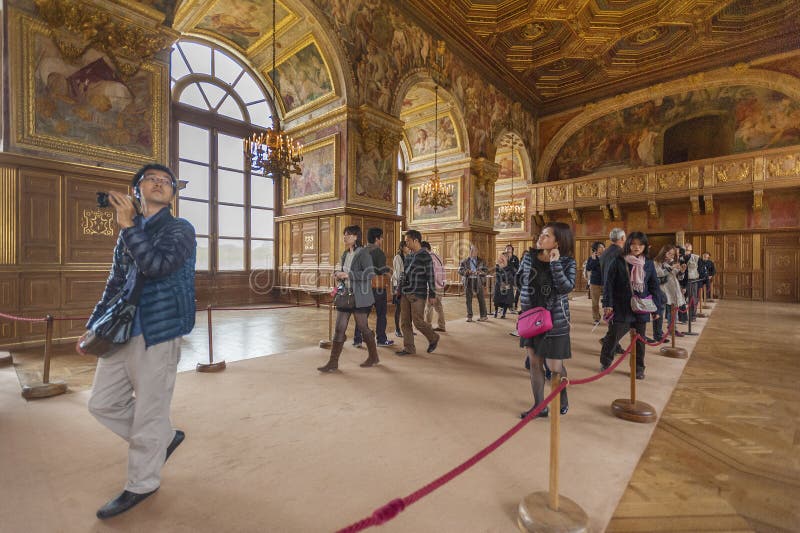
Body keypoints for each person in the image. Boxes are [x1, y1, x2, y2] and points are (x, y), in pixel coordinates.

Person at [82, 163, 196, 519]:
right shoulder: (128, 232)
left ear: (173, 195)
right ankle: (162, 436)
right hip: (121, 328)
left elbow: (157, 266)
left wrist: (130, 227)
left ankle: (142, 483)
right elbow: (115, 283)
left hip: (159, 329)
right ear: (136, 190)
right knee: (101, 402)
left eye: (167, 182)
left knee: (149, 409)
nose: (161, 183)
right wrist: (93, 325)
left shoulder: (181, 229)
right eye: (152, 179)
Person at [516, 222, 576, 419]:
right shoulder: (529, 257)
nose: (540, 238)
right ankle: (539, 406)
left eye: (546, 235)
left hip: (555, 320)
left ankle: (563, 396)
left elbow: (565, 288)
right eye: (540, 234)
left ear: (557, 241)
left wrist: (555, 263)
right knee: (534, 362)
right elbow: (519, 281)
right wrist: (503, 269)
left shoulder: (567, 262)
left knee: (554, 366)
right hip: (532, 318)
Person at [600, 231, 662, 379]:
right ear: (628, 244)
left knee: (640, 340)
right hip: (621, 305)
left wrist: (656, 308)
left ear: (645, 246)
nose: (637, 247)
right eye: (633, 244)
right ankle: (605, 361)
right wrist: (607, 304)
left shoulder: (648, 263)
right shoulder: (619, 260)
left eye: (640, 244)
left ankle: (638, 368)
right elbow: (608, 284)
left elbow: (654, 286)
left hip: (641, 306)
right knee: (613, 335)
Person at [317, 225, 379, 372]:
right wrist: (338, 275)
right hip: (345, 296)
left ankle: (373, 356)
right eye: (344, 234)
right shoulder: (345, 254)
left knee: (363, 328)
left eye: (348, 235)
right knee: (339, 329)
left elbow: (370, 274)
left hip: (360, 298)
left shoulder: (363, 253)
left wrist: (348, 275)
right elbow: (344, 273)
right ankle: (333, 362)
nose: (345, 237)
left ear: (356, 237)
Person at [395, 230, 440, 356]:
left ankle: (433, 337)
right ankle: (409, 348)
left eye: (408, 240)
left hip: (418, 293)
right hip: (405, 292)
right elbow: (404, 274)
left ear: (416, 241)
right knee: (404, 322)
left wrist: (432, 294)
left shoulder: (425, 256)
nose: (406, 242)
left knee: (418, 321)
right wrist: (399, 289)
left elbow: (430, 275)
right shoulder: (408, 256)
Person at [353, 227, 394, 347]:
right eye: (381, 237)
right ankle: (381, 339)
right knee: (381, 314)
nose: (382, 240)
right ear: (377, 238)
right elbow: (380, 270)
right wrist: (388, 269)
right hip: (377, 288)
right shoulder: (379, 252)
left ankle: (357, 340)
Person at [599, 228, 626, 354]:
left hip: (607, 289)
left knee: (614, 321)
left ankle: (614, 344)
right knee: (623, 322)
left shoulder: (605, 252)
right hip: (619, 291)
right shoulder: (621, 253)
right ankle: (608, 342)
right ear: (622, 239)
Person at [653, 244, 685, 341]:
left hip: (673, 289)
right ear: (664, 252)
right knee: (660, 312)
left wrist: (682, 271)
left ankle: (672, 329)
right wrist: (671, 268)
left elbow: (678, 277)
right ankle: (658, 334)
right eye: (669, 253)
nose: (671, 256)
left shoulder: (672, 262)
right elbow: (659, 274)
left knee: (673, 310)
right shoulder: (656, 262)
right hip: (662, 290)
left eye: (673, 254)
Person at [458, 244, 489, 322]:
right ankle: (469, 316)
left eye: (474, 250)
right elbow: (460, 271)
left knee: (481, 299)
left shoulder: (481, 261)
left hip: (478, 280)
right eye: (471, 250)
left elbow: (486, 271)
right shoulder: (464, 261)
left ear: (477, 251)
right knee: (468, 299)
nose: (472, 252)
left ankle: (483, 316)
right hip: (468, 281)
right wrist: (467, 272)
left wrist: (480, 272)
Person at [422, 241, 447, 332]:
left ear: (425, 249)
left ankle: (427, 326)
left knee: (429, 307)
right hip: (440, 285)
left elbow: (431, 274)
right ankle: (442, 325)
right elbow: (443, 271)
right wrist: (443, 283)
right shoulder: (438, 257)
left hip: (433, 286)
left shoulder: (429, 258)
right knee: (438, 307)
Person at [391, 241, 408, 337]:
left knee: (406, 308)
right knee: (399, 308)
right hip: (398, 285)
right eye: (406, 246)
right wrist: (398, 288)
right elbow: (397, 273)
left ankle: (407, 329)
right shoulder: (398, 257)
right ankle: (397, 329)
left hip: (406, 284)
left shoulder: (408, 256)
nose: (408, 248)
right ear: (402, 247)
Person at [586, 241, 605, 324]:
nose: (603, 248)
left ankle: (610, 317)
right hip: (595, 282)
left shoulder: (607, 257)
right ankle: (596, 318)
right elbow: (589, 268)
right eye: (601, 247)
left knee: (608, 301)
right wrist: (594, 260)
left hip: (606, 282)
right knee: (595, 302)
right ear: (596, 249)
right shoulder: (591, 258)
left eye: (603, 247)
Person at [493, 251, 516, 318]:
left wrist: (506, 283)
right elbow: (497, 275)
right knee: (497, 299)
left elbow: (512, 276)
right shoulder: (497, 265)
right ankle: (496, 312)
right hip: (499, 284)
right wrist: (501, 283)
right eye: (503, 256)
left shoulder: (510, 266)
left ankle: (503, 313)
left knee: (506, 300)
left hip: (507, 284)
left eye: (506, 257)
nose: (504, 258)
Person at [504, 244, 520, 312]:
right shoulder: (503, 257)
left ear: (512, 250)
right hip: (504, 278)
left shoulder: (515, 258)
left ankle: (511, 307)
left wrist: (512, 269)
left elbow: (517, 268)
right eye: (507, 248)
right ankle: (503, 307)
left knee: (512, 293)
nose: (508, 250)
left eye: (509, 248)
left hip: (513, 279)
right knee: (504, 292)